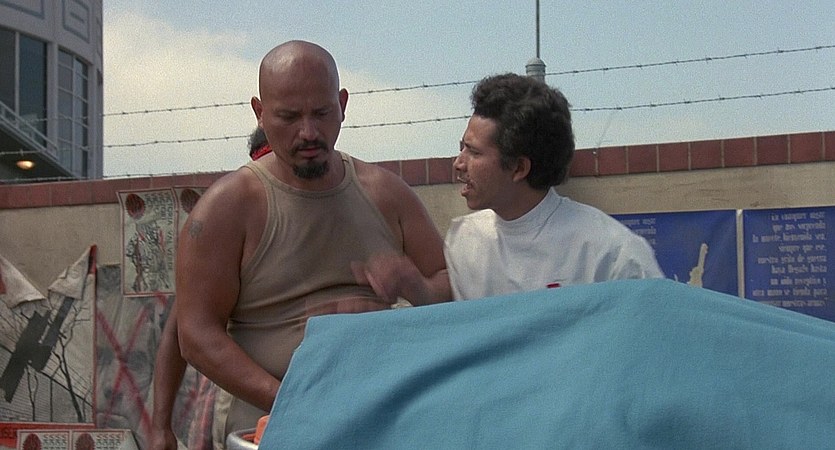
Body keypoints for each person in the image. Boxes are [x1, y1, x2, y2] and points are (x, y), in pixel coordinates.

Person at [175, 40, 450, 443]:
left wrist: (415, 286)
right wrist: (292, 401)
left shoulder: (386, 194)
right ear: (260, 113)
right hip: (271, 427)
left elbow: (451, 290)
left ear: (342, 104)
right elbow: (195, 334)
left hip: (380, 423)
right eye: (289, 117)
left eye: (322, 113)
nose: (308, 133)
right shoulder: (227, 208)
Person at [444, 73, 663, 300]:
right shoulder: (464, 241)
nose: (458, 163)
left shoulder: (613, 253)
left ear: (519, 168)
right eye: (462, 148)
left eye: (474, 152)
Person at [150, 126, 273, 450]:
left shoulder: (329, 210)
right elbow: (178, 331)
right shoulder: (233, 218)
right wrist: (160, 426)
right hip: (246, 413)